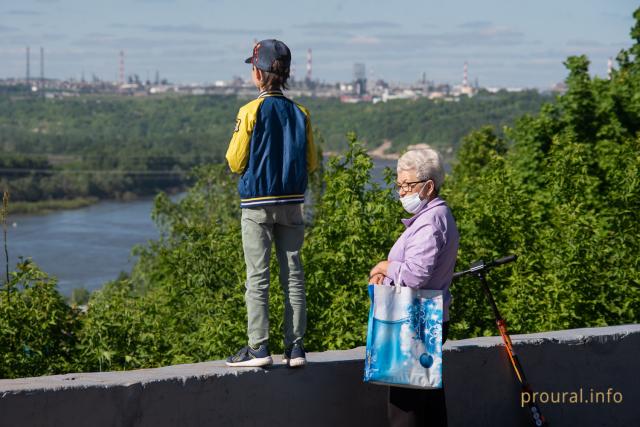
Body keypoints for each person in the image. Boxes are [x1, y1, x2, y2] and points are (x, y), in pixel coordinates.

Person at [224, 39, 318, 368]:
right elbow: (312, 162)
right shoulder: (301, 113)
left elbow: (234, 161)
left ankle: (258, 349)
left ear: (260, 74)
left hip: (256, 205)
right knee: (293, 276)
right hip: (293, 204)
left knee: (258, 278)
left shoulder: (249, 111)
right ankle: (295, 349)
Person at [369, 148, 459, 427]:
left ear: (429, 186)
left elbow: (414, 277)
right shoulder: (435, 216)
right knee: (428, 404)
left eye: (408, 185)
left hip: (415, 320)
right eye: (399, 185)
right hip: (427, 317)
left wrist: (385, 267)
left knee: (405, 409)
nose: (401, 192)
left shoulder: (430, 222)